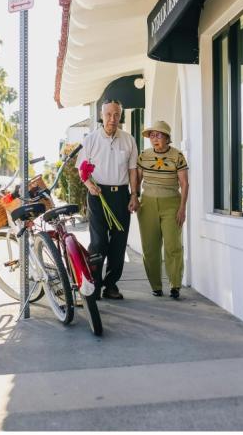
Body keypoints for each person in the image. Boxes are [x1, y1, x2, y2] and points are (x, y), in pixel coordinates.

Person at [76, 99, 139, 300]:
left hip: (121, 195)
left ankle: (111, 285)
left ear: (121, 116)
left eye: (117, 115)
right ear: (101, 116)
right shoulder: (91, 140)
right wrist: (89, 185)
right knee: (98, 242)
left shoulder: (129, 140)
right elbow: (81, 167)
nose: (113, 119)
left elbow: (132, 170)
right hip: (97, 195)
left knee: (119, 243)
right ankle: (94, 283)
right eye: (109, 114)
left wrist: (134, 194)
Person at [136, 120, 189, 299]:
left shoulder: (178, 155)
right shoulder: (144, 155)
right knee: (150, 247)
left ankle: (175, 284)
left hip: (171, 203)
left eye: (158, 135)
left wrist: (182, 208)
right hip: (147, 203)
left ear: (167, 138)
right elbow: (138, 179)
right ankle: (156, 285)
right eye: (152, 135)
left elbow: (184, 183)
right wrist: (133, 197)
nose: (154, 139)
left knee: (173, 245)